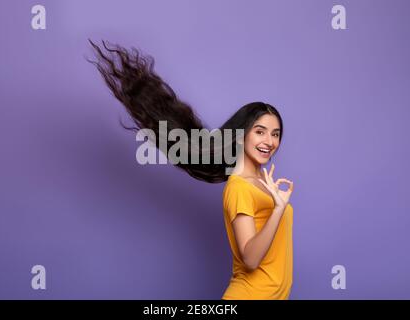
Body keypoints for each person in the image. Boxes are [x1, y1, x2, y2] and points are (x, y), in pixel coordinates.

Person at [87, 40, 294, 299]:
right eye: (260, 132)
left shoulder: (262, 184)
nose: (270, 141)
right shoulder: (239, 187)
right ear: (241, 136)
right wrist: (277, 209)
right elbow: (250, 259)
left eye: (275, 134)